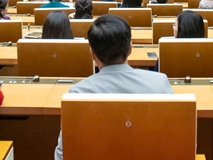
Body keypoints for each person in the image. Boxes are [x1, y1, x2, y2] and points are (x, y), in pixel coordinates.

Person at [53, 15, 173, 160]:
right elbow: (178, 141)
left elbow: (63, 154)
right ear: (130, 48)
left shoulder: (78, 93)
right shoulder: (159, 82)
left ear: (92, 53)